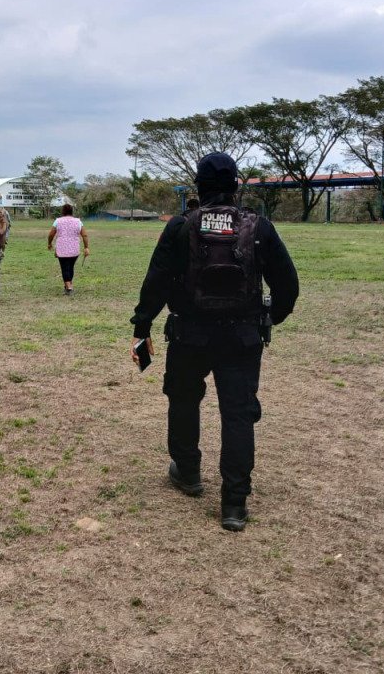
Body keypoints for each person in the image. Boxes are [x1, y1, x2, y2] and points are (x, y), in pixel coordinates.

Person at [130, 152, 298, 532]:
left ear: (198, 185)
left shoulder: (180, 226)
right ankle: (234, 503)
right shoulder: (258, 227)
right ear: (236, 184)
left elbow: (156, 280)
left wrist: (142, 325)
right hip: (241, 337)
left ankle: (188, 471)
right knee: (238, 414)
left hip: (189, 334)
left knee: (183, 399)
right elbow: (287, 285)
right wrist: (269, 317)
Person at [47, 203, 89, 295]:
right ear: (72, 212)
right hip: (74, 249)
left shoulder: (58, 221)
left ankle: (69, 288)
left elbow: (51, 234)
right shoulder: (78, 221)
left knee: (64, 268)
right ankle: (67, 286)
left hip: (62, 249)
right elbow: (85, 235)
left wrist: (49, 243)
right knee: (70, 267)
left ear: (63, 212)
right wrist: (86, 247)